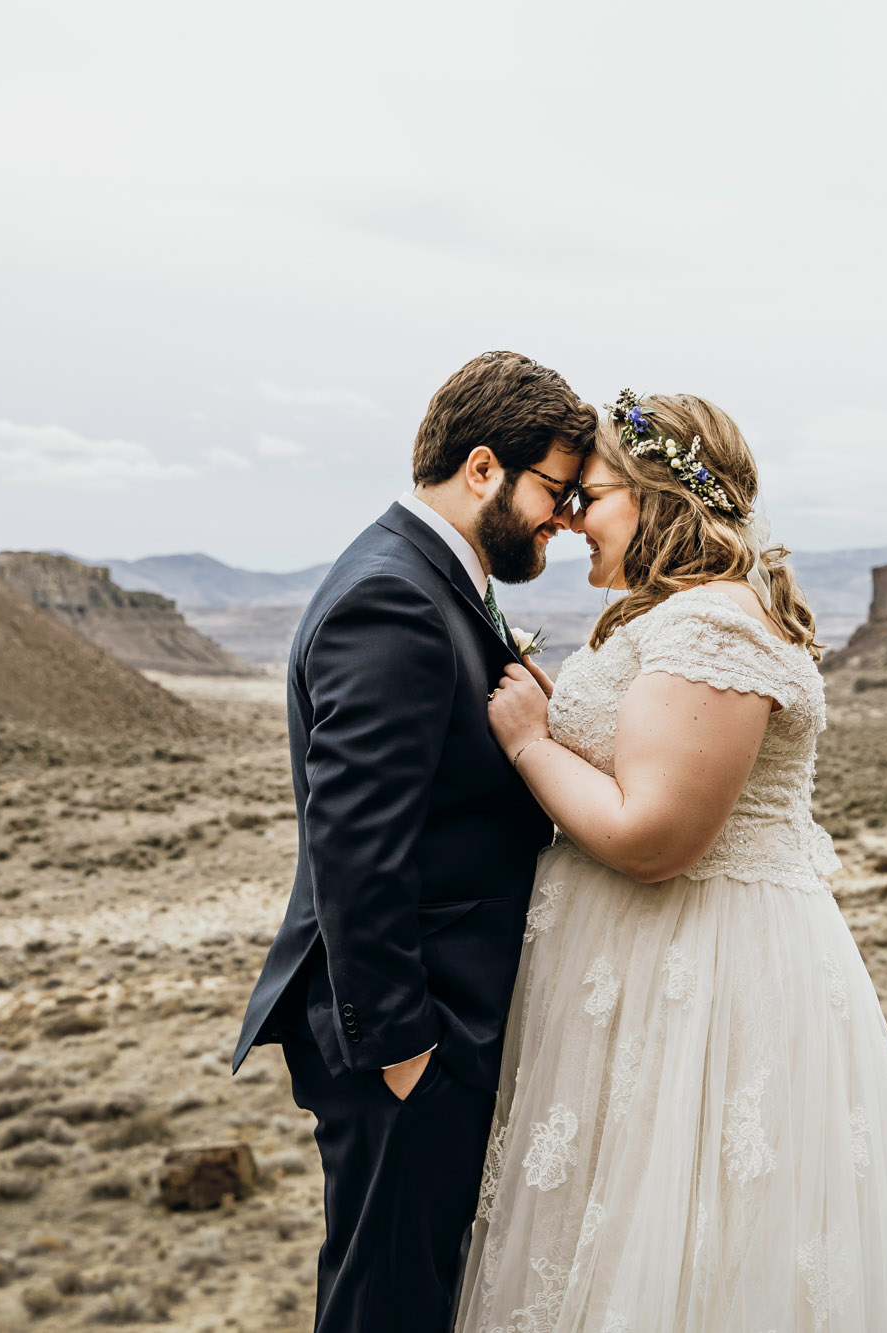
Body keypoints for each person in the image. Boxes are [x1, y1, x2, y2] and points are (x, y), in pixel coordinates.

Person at [462, 391, 887, 1332]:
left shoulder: (713, 626)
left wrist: (531, 741)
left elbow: (655, 838)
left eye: (590, 495)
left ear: (659, 497)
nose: (568, 519)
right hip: (644, 975)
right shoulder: (675, 619)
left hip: (704, 986)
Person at [233, 351, 598, 1333]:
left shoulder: (431, 578)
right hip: (412, 1037)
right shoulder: (390, 596)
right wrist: (405, 1050)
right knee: (384, 1308)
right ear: (483, 469)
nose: (564, 519)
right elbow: (357, 841)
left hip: (442, 1021)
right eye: (555, 491)